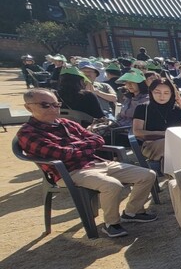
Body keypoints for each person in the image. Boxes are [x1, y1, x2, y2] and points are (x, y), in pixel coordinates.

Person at [17, 89, 158, 238]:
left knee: (147, 174)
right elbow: (61, 154)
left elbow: (98, 139)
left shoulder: (66, 123)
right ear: (28, 107)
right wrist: (84, 146)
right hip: (69, 171)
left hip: (96, 162)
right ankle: (111, 223)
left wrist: (75, 148)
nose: (53, 109)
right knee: (112, 185)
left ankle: (132, 212)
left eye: (56, 104)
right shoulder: (28, 133)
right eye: (45, 105)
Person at [132, 77, 181, 160]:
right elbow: (137, 132)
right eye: (157, 92)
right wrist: (164, 134)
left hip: (176, 143)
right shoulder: (142, 108)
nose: (162, 96)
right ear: (151, 93)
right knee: (173, 144)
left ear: (172, 94)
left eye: (166, 93)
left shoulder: (176, 109)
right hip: (152, 144)